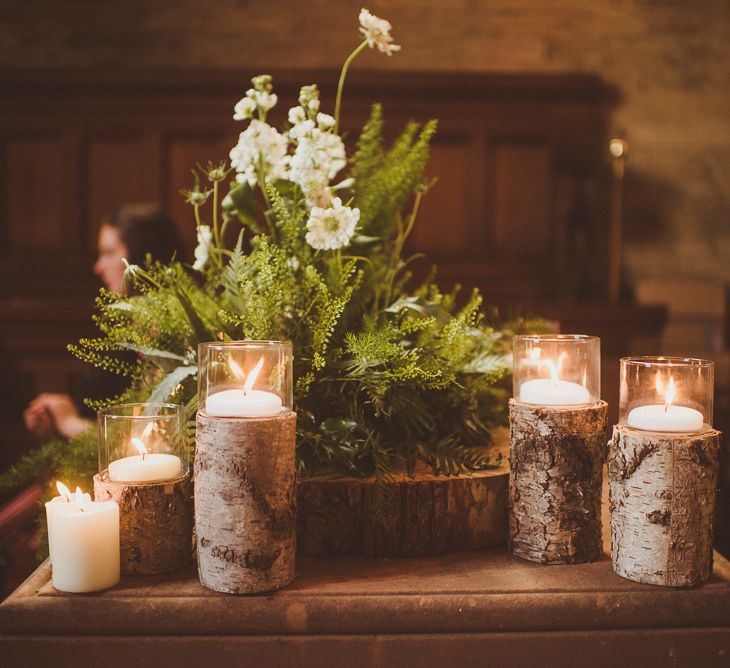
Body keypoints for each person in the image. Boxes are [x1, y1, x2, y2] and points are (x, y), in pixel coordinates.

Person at [23, 204, 183, 441]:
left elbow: (146, 443)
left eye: (108, 252)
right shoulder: (128, 329)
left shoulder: (170, 336)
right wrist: (59, 412)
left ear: (140, 256)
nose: (98, 266)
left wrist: (69, 423)